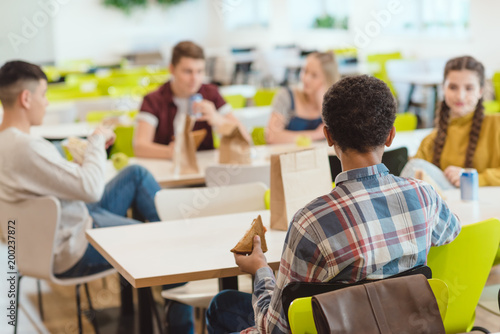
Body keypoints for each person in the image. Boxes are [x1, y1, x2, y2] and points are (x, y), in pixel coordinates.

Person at [206, 75, 461, 334]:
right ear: (391, 135)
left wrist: (261, 270)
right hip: (404, 325)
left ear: (328, 136)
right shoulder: (424, 196)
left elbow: (276, 329)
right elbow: (451, 231)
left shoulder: (310, 222)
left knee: (222, 305)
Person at [0, 61, 193, 333]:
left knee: (135, 175)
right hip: (71, 245)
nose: (46, 103)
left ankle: (178, 242)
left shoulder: (6, 142)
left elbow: (59, 184)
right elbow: (91, 189)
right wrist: (95, 143)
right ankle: (182, 266)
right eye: (44, 95)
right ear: (26, 98)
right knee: (160, 241)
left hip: (56, 231)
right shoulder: (26, 147)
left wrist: (78, 164)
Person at [134, 41, 249, 159]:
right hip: (167, 170)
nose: (195, 79)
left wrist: (217, 119)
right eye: (188, 71)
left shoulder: (211, 93)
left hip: (206, 171)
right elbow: (139, 147)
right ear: (172, 69)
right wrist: (170, 152)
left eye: (199, 71)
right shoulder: (153, 100)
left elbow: (245, 138)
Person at [401, 56, 500, 189]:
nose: (460, 96)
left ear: (480, 91)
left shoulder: (496, 124)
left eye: (469, 88)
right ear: (443, 88)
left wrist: (475, 178)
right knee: (414, 166)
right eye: (453, 87)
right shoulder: (430, 141)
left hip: (489, 205)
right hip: (448, 206)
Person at [265, 52, 340, 144]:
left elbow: (338, 137)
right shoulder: (286, 96)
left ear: (327, 80)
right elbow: (272, 137)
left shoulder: (335, 102)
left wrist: (322, 103)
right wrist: (316, 134)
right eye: (305, 71)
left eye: (314, 75)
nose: (305, 78)